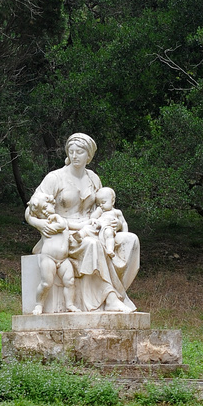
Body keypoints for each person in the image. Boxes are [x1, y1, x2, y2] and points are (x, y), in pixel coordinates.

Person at [24, 133, 140, 313]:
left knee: (130, 240)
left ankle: (118, 293)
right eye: (71, 151)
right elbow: (30, 208)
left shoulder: (93, 178)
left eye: (79, 152)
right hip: (65, 233)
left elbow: (104, 207)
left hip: (94, 227)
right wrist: (40, 224)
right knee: (92, 245)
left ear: (89, 156)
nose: (74, 155)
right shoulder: (55, 178)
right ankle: (109, 299)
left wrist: (112, 222)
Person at [26, 191, 79, 315]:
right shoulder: (48, 224)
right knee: (46, 283)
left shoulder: (59, 219)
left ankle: (70, 304)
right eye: (40, 212)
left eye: (45, 207)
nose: (44, 212)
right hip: (49, 258)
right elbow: (60, 226)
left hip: (64, 259)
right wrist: (56, 219)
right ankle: (39, 305)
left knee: (70, 281)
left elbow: (71, 226)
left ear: (52, 204)